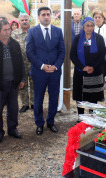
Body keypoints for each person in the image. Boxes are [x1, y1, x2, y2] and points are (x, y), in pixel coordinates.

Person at [26, 7, 65, 135]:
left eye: (48, 14)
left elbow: (62, 51)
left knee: (53, 98)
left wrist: (56, 66)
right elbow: (29, 52)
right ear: (38, 17)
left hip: (54, 71)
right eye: (43, 15)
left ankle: (51, 122)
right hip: (39, 72)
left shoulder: (58, 31)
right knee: (38, 99)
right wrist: (42, 66)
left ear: (52, 16)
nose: (46, 17)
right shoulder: (32, 32)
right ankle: (39, 123)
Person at [70, 17, 106, 118]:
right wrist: (83, 67)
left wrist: (93, 67)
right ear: (83, 27)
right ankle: (81, 117)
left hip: (95, 72)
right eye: (87, 26)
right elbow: (72, 55)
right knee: (80, 96)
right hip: (80, 72)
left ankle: (92, 117)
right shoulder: (77, 38)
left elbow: (102, 55)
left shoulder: (99, 38)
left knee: (93, 96)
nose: (89, 28)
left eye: (91, 26)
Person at [12, 13, 34, 113]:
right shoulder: (14, 34)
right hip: (20, 64)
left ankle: (34, 103)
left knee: (34, 84)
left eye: (26, 20)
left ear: (29, 21)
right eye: (22, 20)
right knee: (22, 84)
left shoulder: (34, 32)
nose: (24, 21)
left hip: (33, 63)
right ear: (19, 22)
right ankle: (25, 104)